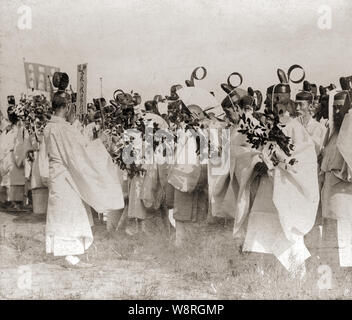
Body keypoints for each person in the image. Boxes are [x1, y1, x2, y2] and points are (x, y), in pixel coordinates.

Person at [232, 96, 319, 278]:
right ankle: (263, 275)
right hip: (268, 187)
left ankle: (297, 277)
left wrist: (273, 165)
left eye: (285, 110)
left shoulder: (297, 129)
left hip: (287, 189)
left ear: (293, 111)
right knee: (261, 226)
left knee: (288, 231)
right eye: (278, 110)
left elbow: (301, 160)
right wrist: (259, 162)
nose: (282, 114)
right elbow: (261, 151)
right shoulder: (270, 130)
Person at [42, 92, 124, 268]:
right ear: (67, 107)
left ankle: (65, 252)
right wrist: (99, 142)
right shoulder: (62, 128)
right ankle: (69, 255)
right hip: (65, 177)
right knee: (70, 212)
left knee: (64, 212)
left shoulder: (50, 127)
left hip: (58, 175)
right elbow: (78, 153)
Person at [320, 91, 352, 267]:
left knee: (345, 244)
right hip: (329, 195)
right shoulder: (332, 133)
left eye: (341, 107)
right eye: (335, 108)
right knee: (330, 243)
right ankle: (327, 286)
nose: (337, 111)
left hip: (344, 197)